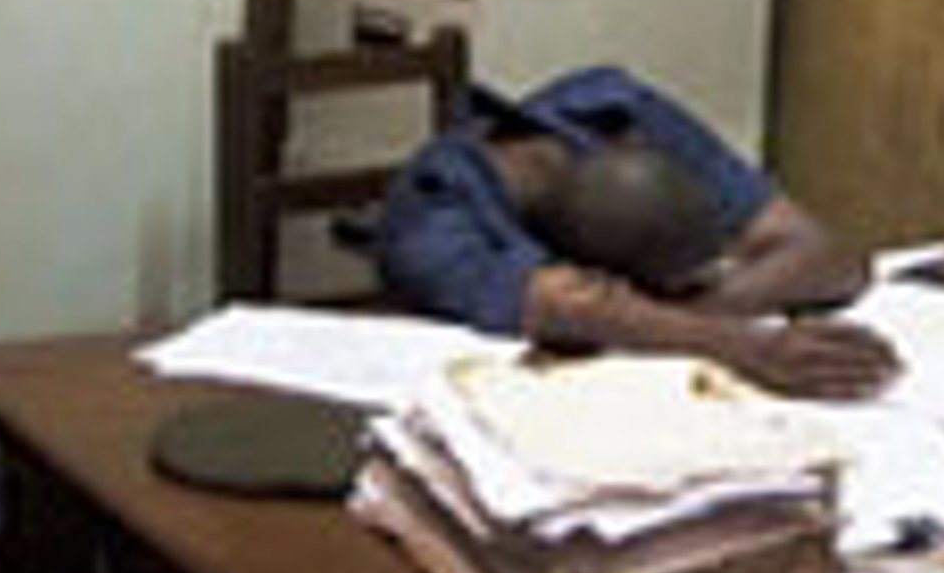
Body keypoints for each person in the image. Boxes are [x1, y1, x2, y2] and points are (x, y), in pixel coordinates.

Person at [377, 64, 900, 402]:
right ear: (595, 271)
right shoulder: (427, 225)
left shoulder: (619, 111)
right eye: (671, 291)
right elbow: (573, 308)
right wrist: (750, 349)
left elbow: (831, 258)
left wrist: (669, 322)